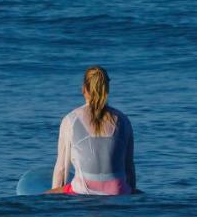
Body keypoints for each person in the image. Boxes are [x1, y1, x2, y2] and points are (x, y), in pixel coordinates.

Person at [49, 66, 137, 195]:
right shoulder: (123, 120)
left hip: (82, 191)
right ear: (107, 89)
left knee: (46, 195)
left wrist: (54, 195)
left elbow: (61, 169)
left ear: (84, 89)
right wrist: (130, 196)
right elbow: (129, 167)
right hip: (118, 191)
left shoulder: (71, 120)